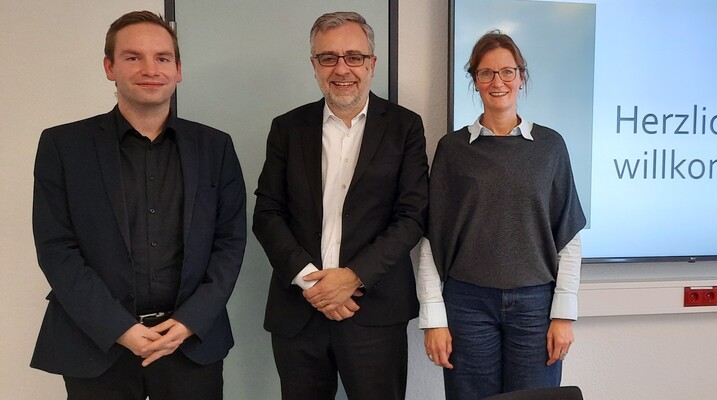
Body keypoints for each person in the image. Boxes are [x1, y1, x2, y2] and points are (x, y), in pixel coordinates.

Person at [30, 10, 247, 400]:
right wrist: (119, 329)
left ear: (178, 70)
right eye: (133, 57)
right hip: (96, 344)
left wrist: (189, 321)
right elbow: (56, 249)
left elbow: (229, 243)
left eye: (162, 58)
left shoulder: (215, 147)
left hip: (190, 344)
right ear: (109, 67)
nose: (151, 69)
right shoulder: (63, 147)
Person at [252, 11, 429, 400]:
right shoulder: (287, 128)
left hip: (374, 313)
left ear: (372, 63)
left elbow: (412, 216)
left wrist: (353, 276)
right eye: (328, 57)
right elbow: (267, 214)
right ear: (314, 65)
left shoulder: (405, 127)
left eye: (354, 56)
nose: (341, 68)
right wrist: (310, 282)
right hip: (299, 313)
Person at [416, 30, 586, 400]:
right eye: (486, 73)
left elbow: (568, 238)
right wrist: (433, 317)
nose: (498, 82)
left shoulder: (550, 146)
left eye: (508, 72)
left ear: (521, 77)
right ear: (474, 80)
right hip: (467, 304)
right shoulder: (453, 149)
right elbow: (432, 238)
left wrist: (563, 314)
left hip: (535, 307)